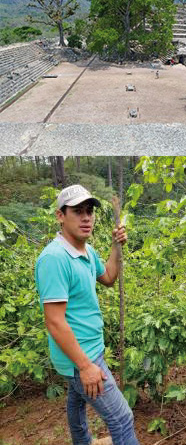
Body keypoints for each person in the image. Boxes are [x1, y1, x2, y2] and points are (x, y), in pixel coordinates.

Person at [35, 184, 140, 445]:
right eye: (78, 211)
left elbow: (108, 277)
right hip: (81, 357)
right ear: (61, 215)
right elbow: (54, 321)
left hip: (89, 348)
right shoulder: (54, 259)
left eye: (89, 211)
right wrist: (85, 366)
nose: (86, 218)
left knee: (78, 407)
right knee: (122, 418)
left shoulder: (86, 250)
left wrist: (116, 246)